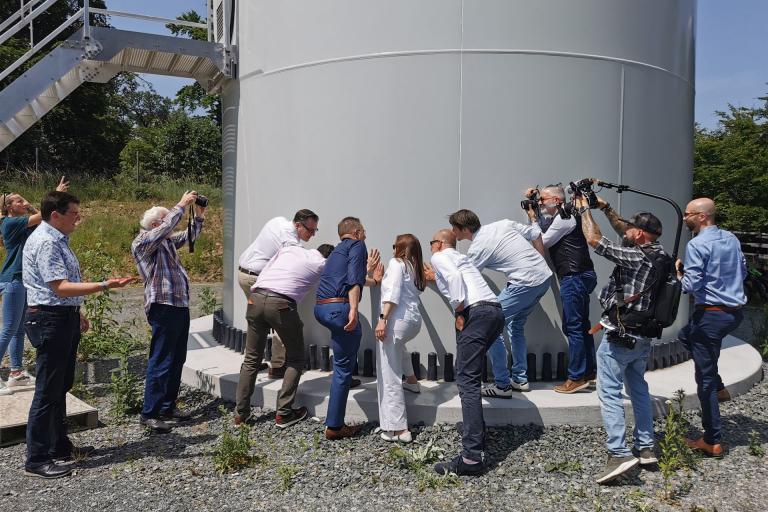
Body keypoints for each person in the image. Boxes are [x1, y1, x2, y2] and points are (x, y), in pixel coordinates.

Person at [23, 191, 132, 479]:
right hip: (49, 319)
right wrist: (105, 284)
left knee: (60, 385)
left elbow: (56, 291)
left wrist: (76, 312)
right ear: (55, 215)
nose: (78, 218)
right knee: (48, 389)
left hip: (60, 316)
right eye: (74, 213)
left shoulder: (56, 239)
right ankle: (36, 458)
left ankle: (59, 446)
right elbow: (59, 287)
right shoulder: (47, 242)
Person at [577, 193, 663, 484]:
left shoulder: (637, 258)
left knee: (609, 393)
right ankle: (646, 446)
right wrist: (605, 207)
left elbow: (595, 240)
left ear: (639, 233)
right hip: (643, 338)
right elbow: (623, 231)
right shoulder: (661, 255)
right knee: (638, 389)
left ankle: (619, 452)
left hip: (620, 336)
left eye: (631, 229)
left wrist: (584, 210)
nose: (625, 230)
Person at [448, 208, 551, 396]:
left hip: (524, 283)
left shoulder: (478, 247)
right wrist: (539, 263)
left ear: (463, 229)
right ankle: (520, 379)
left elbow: (464, 277)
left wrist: (434, 275)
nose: (453, 233)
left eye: (454, 228)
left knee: (492, 327)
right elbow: (535, 232)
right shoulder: (503, 223)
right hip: (544, 279)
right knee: (516, 326)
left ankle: (502, 385)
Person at [428, 229, 504, 476]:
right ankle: (477, 433)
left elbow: (454, 281)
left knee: (467, 381)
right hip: (494, 312)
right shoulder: (463, 259)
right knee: (471, 374)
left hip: (475, 313)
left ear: (440, 244)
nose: (430, 247)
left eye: (431, 243)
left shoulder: (440, 257)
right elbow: (457, 278)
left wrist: (459, 311)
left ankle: (471, 457)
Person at [235, 243, 335, 428]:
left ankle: (240, 416)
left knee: (251, 359)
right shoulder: (323, 263)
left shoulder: (290, 249)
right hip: (281, 305)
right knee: (296, 359)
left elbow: (270, 265)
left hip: (255, 297)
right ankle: (284, 413)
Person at [676, 198, 747, 458]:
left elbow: (689, 286)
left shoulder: (697, 244)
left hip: (711, 316)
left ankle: (712, 440)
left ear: (702, 217)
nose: (684, 219)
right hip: (734, 313)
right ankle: (719, 386)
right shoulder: (731, 238)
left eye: (688, 214)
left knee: (702, 378)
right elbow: (743, 270)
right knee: (686, 337)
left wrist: (677, 273)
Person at [132, 190, 206, 433]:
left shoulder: (165, 242)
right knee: (161, 359)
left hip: (177, 304)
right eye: (165, 221)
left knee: (176, 358)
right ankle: (149, 412)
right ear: (156, 224)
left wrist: (199, 215)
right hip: (162, 305)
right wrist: (181, 205)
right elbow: (166, 229)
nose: (169, 226)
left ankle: (167, 407)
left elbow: (189, 236)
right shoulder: (143, 242)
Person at [314, 216, 383, 440]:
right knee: (342, 369)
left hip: (322, 309)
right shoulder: (357, 245)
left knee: (343, 357)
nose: (365, 235)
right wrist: (354, 309)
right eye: (363, 231)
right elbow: (354, 281)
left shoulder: (336, 252)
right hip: (340, 310)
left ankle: (346, 377)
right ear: (355, 232)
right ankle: (334, 426)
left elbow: (353, 278)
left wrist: (370, 276)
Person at [0, 178, 69, 396]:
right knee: (8, 329)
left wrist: (28, 204)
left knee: (19, 330)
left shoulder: (24, 222)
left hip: (23, 280)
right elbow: (44, 216)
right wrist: (55, 193)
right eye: (18, 200)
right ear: (8, 207)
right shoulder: (10, 223)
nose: (23, 202)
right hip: (13, 279)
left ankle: (16, 372)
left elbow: (45, 223)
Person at [530, 186, 598, 393]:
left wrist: (532, 221)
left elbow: (543, 241)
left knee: (574, 327)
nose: (541, 203)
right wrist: (534, 206)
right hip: (581, 275)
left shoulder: (564, 218)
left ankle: (576, 377)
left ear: (557, 200)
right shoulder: (563, 217)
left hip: (574, 276)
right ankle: (589, 373)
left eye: (543, 199)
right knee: (582, 326)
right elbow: (545, 228)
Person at [238, 210, 320, 379]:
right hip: (256, 278)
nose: (312, 235)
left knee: (257, 321)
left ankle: (251, 361)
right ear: (298, 225)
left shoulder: (278, 221)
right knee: (279, 320)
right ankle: (277, 366)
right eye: (310, 230)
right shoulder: (289, 242)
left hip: (244, 273)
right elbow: (298, 261)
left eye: (315, 231)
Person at [374, 234, 426, 443]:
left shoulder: (396, 263)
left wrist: (382, 319)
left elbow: (393, 294)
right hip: (412, 322)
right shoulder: (414, 267)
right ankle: (412, 382)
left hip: (397, 320)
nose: (392, 248)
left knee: (389, 373)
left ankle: (398, 429)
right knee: (398, 351)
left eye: (395, 245)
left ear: (401, 249)